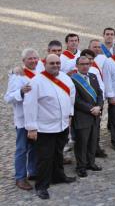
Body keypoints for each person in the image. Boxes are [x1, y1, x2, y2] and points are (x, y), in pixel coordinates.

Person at [24, 54, 77, 200]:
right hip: (44, 128)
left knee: (58, 153)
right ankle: (41, 186)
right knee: (45, 158)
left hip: (62, 125)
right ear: (45, 64)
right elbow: (29, 105)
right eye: (52, 63)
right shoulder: (36, 82)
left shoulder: (66, 78)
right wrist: (31, 128)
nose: (55, 65)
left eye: (58, 63)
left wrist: (69, 116)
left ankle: (58, 176)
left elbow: (71, 98)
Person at [4, 48, 39, 191]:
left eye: (35, 58)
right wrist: (20, 91)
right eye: (30, 59)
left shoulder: (40, 71)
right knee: (22, 149)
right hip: (23, 119)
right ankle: (20, 177)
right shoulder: (17, 76)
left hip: (37, 118)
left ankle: (33, 171)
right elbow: (7, 98)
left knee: (35, 148)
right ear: (23, 61)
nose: (33, 61)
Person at [70, 56, 104, 178]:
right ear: (77, 65)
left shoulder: (93, 76)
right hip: (82, 116)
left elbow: (100, 93)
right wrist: (92, 109)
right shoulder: (73, 80)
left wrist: (99, 107)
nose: (85, 66)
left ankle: (91, 163)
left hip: (95, 115)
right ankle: (81, 167)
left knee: (93, 141)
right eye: (82, 64)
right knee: (82, 143)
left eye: (87, 64)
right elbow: (76, 100)